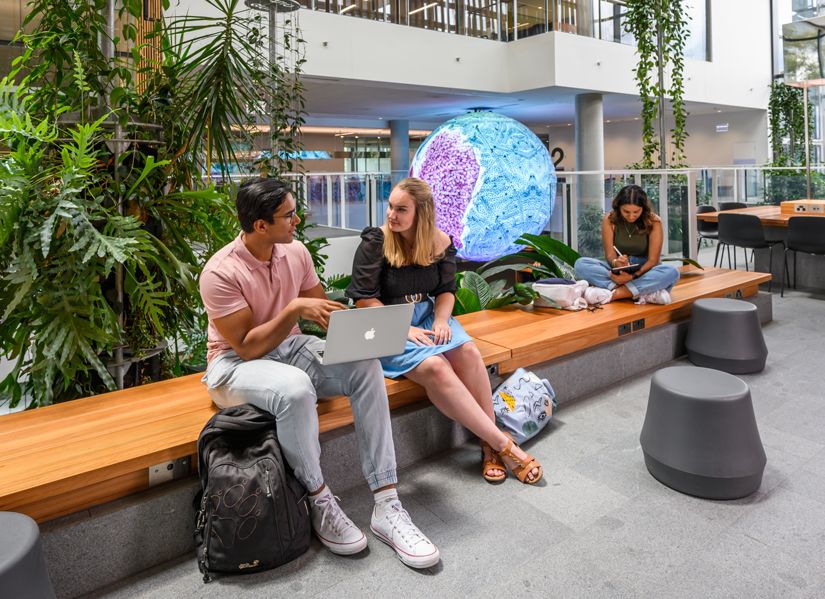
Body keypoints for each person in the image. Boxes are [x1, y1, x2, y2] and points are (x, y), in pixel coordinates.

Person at [199, 178, 439, 569]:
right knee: (295, 389)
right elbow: (246, 345)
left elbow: (322, 310)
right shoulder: (220, 272)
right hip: (233, 366)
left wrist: (358, 331)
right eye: (289, 215)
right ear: (260, 226)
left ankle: (386, 503)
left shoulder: (295, 253)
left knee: (365, 364)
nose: (299, 219)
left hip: (290, 348)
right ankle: (319, 498)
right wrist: (293, 310)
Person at [346, 177, 543, 485]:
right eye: (390, 207)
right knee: (437, 367)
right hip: (385, 323)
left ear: (421, 214)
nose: (391, 215)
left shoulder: (440, 242)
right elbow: (362, 299)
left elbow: (446, 291)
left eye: (401, 209)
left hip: (427, 316)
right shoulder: (376, 243)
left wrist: (440, 321)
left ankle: (487, 444)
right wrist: (405, 329)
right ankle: (503, 445)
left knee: (467, 351)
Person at [574, 184, 680, 305]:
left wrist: (633, 276)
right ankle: (643, 292)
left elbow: (653, 260)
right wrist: (616, 262)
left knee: (672, 272)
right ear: (619, 207)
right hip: (620, 271)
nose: (631, 216)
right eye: (626, 211)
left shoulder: (654, 221)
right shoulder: (609, 220)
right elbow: (610, 255)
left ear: (643, 208)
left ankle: (615, 294)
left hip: (644, 271)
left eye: (636, 212)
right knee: (581, 264)